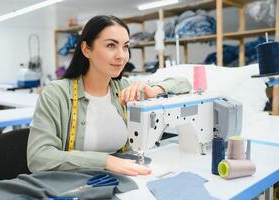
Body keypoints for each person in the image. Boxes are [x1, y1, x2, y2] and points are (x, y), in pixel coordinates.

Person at [27, 15, 192, 176]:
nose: (121, 55)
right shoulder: (56, 94)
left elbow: (184, 84)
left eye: (125, 46)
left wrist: (155, 90)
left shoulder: (125, 88)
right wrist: (106, 161)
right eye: (111, 45)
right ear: (86, 49)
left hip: (121, 178)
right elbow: (38, 157)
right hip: (76, 185)